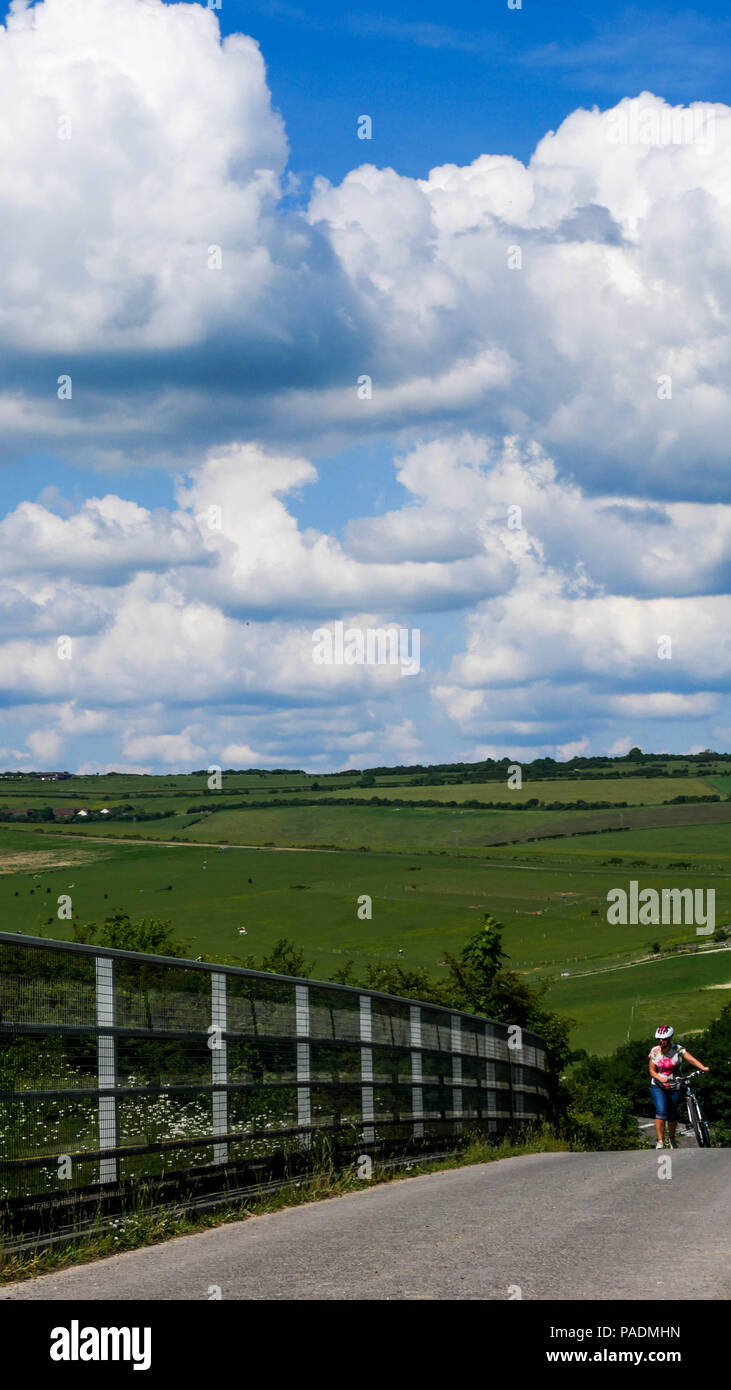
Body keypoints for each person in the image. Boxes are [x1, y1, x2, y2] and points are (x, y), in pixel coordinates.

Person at [648, 1024, 708, 1149]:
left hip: (675, 1085)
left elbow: (690, 1059)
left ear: (670, 1038)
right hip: (658, 1085)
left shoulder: (678, 1049)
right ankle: (660, 1141)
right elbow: (652, 1071)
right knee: (661, 1111)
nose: (661, 1041)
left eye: (663, 1039)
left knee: (672, 1114)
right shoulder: (655, 1051)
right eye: (659, 1039)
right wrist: (660, 1078)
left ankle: (671, 1138)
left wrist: (702, 1067)